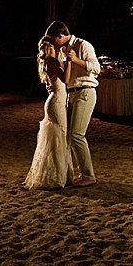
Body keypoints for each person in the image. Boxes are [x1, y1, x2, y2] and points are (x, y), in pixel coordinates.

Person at [47, 20, 100, 187]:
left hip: (85, 91)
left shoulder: (83, 45)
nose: (51, 43)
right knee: (68, 136)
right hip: (72, 94)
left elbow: (96, 68)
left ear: (60, 36)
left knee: (77, 134)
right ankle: (71, 173)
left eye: (52, 39)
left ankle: (88, 175)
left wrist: (76, 60)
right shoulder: (61, 50)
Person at [24, 33, 77, 190]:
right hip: (56, 102)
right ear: (50, 47)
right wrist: (69, 62)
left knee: (59, 137)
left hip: (56, 101)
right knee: (60, 137)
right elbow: (66, 80)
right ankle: (58, 176)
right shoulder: (52, 61)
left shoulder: (48, 62)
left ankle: (62, 174)